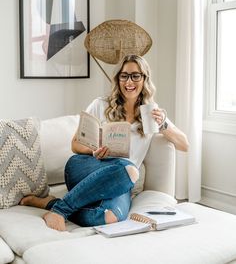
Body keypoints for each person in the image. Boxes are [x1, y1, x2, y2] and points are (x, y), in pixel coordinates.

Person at [20, 54, 188, 231]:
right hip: (87, 168)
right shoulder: (100, 105)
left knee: (109, 217)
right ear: (118, 79)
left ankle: (51, 204)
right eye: (124, 76)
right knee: (129, 169)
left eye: (135, 75)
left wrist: (163, 124)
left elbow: (185, 145)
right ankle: (60, 211)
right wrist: (94, 151)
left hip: (122, 180)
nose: (129, 82)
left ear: (144, 78)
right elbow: (75, 145)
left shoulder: (151, 113)